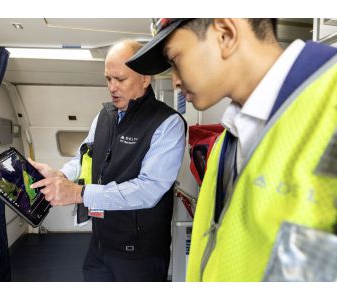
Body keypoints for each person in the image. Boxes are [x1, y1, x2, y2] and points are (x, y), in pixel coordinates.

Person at [126, 18, 337, 281]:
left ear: (226, 34)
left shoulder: (330, 101)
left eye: (175, 60)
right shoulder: (228, 139)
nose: (175, 81)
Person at [29, 39, 186, 282]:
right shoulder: (104, 115)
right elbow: (85, 158)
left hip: (140, 253)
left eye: (120, 79)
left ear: (145, 78)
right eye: (108, 79)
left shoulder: (168, 123)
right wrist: (60, 176)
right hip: (101, 243)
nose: (112, 87)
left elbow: (148, 189)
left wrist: (79, 193)